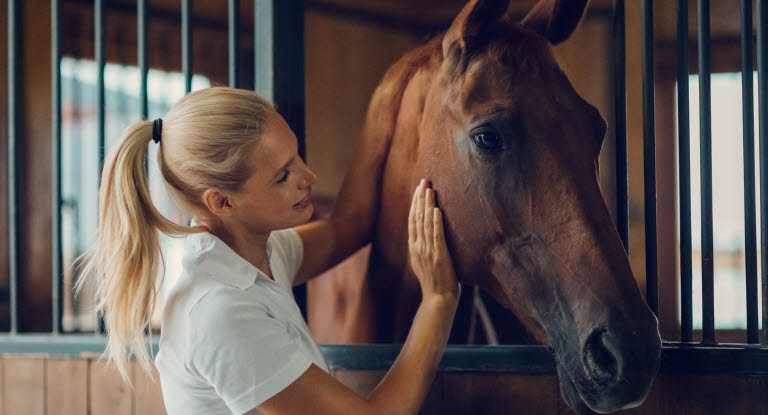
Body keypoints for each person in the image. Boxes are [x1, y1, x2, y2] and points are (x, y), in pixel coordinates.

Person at [76, 86, 460, 415]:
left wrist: (388, 100)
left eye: (296, 156)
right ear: (222, 202)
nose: (308, 177)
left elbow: (347, 227)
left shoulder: (257, 253)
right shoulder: (221, 310)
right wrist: (438, 300)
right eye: (283, 175)